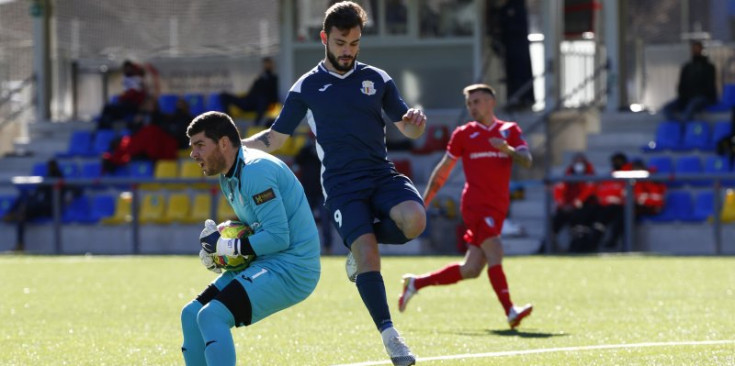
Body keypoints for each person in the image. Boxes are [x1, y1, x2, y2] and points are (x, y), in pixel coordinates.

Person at [241, 2, 426, 365]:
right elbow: (276, 139)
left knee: (415, 220)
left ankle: (359, 248)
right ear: (325, 38)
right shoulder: (307, 86)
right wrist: (235, 145)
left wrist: (414, 123)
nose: (348, 51)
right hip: (343, 187)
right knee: (370, 254)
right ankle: (391, 337)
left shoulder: (378, 79)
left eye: (354, 43)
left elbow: (404, 125)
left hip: (380, 174)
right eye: (341, 42)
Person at [180, 111, 320, 366]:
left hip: (293, 268)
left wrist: (227, 246)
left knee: (212, 316)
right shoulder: (228, 175)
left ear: (223, 143)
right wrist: (224, 257)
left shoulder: (255, 171)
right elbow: (255, 229)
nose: (193, 154)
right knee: (191, 314)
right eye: (192, 147)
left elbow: (278, 238)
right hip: (266, 262)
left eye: (200, 145)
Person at [397, 83, 534, 330]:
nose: (472, 107)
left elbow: (527, 160)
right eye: (469, 103)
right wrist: (423, 202)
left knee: (470, 269)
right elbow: (443, 171)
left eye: (477, 102)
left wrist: (507, 149)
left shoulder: (509, 130)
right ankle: (510, 310)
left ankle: (415, 283)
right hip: (475, 205)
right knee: (495, 250)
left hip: (498, 207)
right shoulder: (463, 134)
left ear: (491, 102)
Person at [551, 153, 598, 252]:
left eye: (581, 162)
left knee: (579, 220)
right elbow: (559, 189)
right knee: (555, 221)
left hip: (585, 206)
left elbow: (589, 191)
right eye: (576, 162)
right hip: (567, 206)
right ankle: (546, 248)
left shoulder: (590, 174)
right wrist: (561, 204)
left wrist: (575, 204)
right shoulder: (568, 173)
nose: (578, 164)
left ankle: (577, 248)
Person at [662, 41, 717, 123]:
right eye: (693, 49)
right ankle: (677, 126)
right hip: (686, 98)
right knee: (666, 109)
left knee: (692, 106)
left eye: (697, 49)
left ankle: (683, 128)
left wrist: (709, 97)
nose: (695, 51)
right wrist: (683, 96)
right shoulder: (687, 67)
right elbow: (681, 84)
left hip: (701, 98)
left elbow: (709, 86)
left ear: (701, 50)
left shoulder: (708, 67)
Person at [220, 57, 279, 126]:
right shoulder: (260, 78)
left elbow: (273, 97)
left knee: (262, 99)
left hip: (259, 105)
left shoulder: (274, 78)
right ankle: (229, 121)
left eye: (268, 64)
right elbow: (251, 92)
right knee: (224, 95)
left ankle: (256, 123)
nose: (266, 65)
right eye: (265, 64)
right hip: (248, 102)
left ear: (272, 65)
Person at [97, 60, 148, 130]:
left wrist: (122, 98)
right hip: (126, 104)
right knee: (108, 110)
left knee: (108, 108)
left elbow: (133, 95)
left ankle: (104, 128)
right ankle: (104, 128)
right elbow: (127, 94)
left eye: (128, 68)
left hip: (132, 105)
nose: (127, 70)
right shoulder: (128, 79)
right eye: (125, 69)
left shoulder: (138, 80)